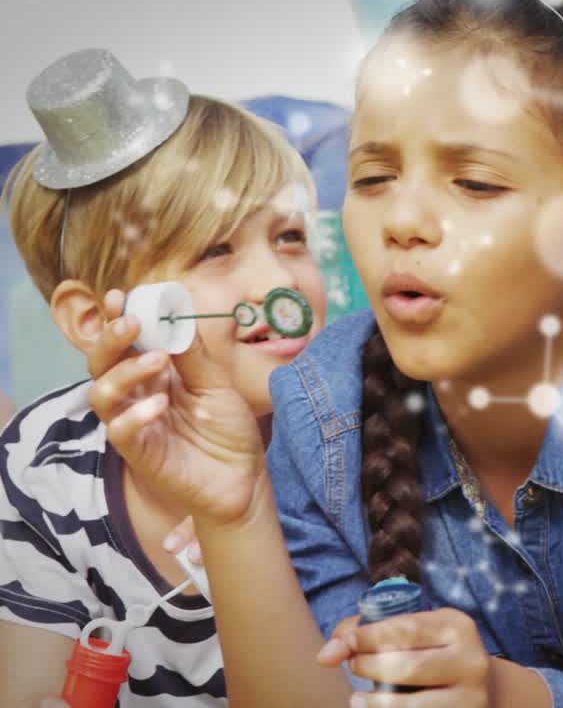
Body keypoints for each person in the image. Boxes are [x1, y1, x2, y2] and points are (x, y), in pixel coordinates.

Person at [88, 0, 563, 705]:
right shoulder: (316, 411)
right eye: (372, 178)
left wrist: (503, 694)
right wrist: (233, 514)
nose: (401, 220)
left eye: (474, 182)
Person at [0, 49, 326, 707]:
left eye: (289, 237)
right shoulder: (41, 467)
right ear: (95, 319)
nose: (280, 282)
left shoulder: (354, 441)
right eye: (216, 249)